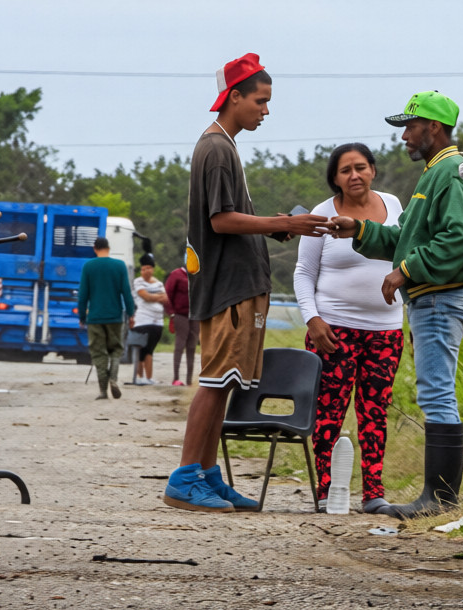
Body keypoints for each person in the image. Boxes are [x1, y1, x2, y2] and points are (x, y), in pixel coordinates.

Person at [163, 52, 333, 513]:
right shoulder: (216, 148)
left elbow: (233, 220)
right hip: (228, 288)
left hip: (239, 285)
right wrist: (281, 222)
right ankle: (183, 479)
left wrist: (277, 227)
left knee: (229, 381)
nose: (265, 109)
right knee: (217, 381)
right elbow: (220, 222)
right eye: (260, 100)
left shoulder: (225, 146)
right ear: (234, 97)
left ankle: (206, 473)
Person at [328, 91, 463, 520]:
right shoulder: (435, 172)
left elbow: (457, 240)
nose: (404, 137)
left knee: (436, 392)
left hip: (439, 297)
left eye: (410, 128)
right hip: (430, 299)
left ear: (433, 127)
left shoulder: (450, 172)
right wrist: (358, 229)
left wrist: (406, 271)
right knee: (434, 391)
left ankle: (439, 498)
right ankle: (439, 496)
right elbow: (404, 239)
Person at [295, 143, 405, 514]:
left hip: (386, 330)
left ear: (373, 170)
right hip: (332, 331)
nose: (354, 175)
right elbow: (304, 273)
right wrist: (313, 319)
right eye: (345, 170)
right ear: (335, 178)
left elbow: (405, 253)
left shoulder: (394, 207)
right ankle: (326, 490)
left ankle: (373, 492)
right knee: (329, 411)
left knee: (374, 411)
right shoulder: (321, 214)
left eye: (360, 167)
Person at [77, 236, 136, 401]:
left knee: (98, 353)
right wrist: (131, 314)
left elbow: (83, 295)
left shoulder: (88, 266)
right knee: (115, 350)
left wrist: (82, 315)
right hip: (115, 316)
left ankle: (103, 391)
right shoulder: (119, 266)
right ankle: (113, 379)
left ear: (95, 249)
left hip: (95, 317)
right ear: (108, 248)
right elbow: (126, 292)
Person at [131, 253, 168, 385]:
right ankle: (139, 376)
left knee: (150, 349)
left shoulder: (158, 283)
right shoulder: (138, 281)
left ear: (152, 269)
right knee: (141, 348)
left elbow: (166, 298)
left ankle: (149, 377)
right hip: (142, 320)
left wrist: (153, 296)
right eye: (143, 268)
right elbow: (145, 296)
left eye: (148, 268)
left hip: (157, 321)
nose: (146, 271)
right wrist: (157, 296)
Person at [164, 265, 198, 385]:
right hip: (180, 315)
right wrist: (171, 313)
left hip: (194, 315)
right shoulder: (176, 274)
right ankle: (176, 378)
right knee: (180, 345)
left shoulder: (197, 274)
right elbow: (167, 294)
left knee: (192, 347)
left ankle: (189, 380)